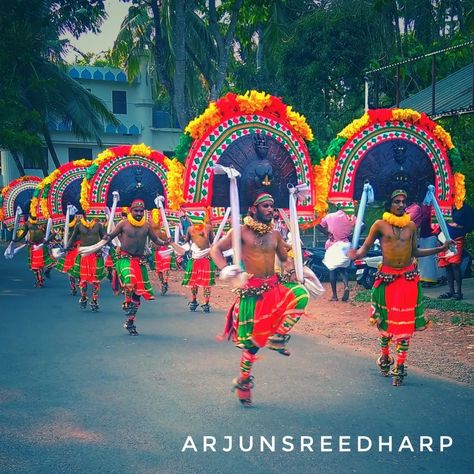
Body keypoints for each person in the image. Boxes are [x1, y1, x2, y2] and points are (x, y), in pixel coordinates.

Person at [210, 193, 310, 406]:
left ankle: (278, 336)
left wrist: (291, 269)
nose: (271, 210)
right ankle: (243, 381)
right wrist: (226, 269)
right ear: (253, 209)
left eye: (272, 206)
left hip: (273, 289)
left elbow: (284, 260)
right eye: (266, 206)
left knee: (301, 295)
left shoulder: (275, 235)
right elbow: (215, 250)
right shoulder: (241, 232)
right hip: (252, 294)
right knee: (252, 346)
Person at [348, 189, 450, 386]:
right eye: (397, 201)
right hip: (386, 281)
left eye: (404, 201)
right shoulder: (379, 225)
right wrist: (356, 254)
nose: (402, 205)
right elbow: (365, 248)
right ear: (390, 205)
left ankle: (400, 366)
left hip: (407, 279)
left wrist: (439, 249)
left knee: (404, 326)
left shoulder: (411, 226)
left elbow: (415, 251)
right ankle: (385, 356)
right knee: (385, 323)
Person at [103, 199, 169, 335]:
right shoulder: (123, 224)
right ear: (130, 210)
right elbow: (111, 236)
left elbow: (156, 240)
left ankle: (130, 321)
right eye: (136, 211)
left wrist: (166, 242)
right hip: (125, 259)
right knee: (130, 280)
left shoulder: (146, 226)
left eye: (141, 211)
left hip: (139, 262)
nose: (139, 213)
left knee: (137, 296)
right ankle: (127, 301)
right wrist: (107, 238)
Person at [66, 212, 107, 311]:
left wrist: (112, 244)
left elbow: (104, 237)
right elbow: (72, 238)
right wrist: (66, 248)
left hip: (96, 255)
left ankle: (94, 300)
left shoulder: (98, 225)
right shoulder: (79, 225)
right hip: (84, 255)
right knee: (83, 280)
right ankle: (83, 297)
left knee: (96, 281)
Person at [437, 203, 474, 300]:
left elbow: (471, 223)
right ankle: (451, 291)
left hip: (457, 238)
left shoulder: (464, 207)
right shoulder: (445, 205)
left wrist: (460, 227)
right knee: (447, 265)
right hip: (444, 238)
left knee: (455, 264)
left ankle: (459, 292)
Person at [181, 214, 216, 313]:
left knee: (206, 283)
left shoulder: (208, 227)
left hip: (206, 258)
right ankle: (194, 300)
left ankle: (206, 303)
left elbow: (212, 241)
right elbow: (187, 242)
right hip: (194, 259)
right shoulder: (189, 229)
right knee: (193, 282)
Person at [318, 209, 355, 301]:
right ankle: (346, 286)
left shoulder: (329, 216)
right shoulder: (350, 216)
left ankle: (334, 296)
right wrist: (352, 235)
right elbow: (363, 226)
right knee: (343, 269)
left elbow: (318, 225)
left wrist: (327, 233)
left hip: (332, 245)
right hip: (345, 245)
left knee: (332, 270)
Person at [13, 215, 55, 288]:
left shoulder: (43, 222)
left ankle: (45, 273)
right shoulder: (27, 223)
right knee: (35, 267)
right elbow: (24, 233)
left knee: (51, 263)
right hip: (32, 246)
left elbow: (51, 234)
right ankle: (39, 280)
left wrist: (49, 240)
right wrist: (16, 239)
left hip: (41, 245)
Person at [150, 210, 172, 295]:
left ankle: (165, 283)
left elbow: (169, 240)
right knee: (159, 270)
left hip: (165, 251)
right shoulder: (153, 230)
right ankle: (163, 283)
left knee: (165, 269)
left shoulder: (165, 229)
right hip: (157, 252)